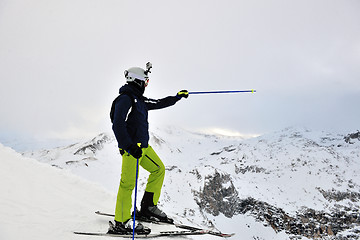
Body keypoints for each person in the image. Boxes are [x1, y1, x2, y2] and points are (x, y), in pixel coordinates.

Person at [109, 62, 189, 234]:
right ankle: (121, 223)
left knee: (158, 169)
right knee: (127, 184)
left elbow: (158, 103)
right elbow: (117, 125)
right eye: (145, 81)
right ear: (136, 81)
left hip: (143, 147)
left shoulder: (139, 100)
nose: (146, 84)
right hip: (132, 149)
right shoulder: (125, 99)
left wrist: (177, 97)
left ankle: (147, 208)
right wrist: (129, 147)